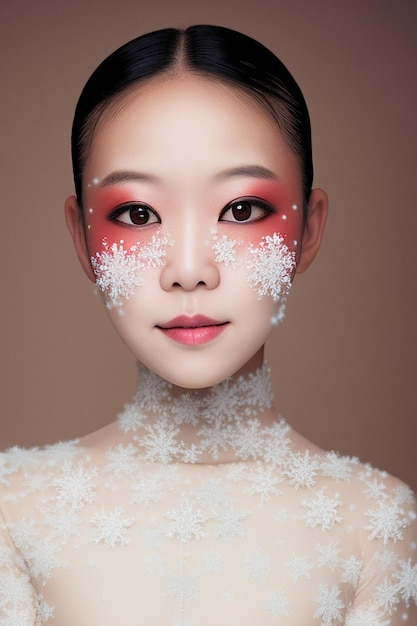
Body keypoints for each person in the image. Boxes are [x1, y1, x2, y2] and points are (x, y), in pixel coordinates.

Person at [0, 25, 415, 625]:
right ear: (83, 238)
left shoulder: (375, 522)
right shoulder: (12, 508)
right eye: (137, 214)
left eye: (241, 210)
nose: (189, 270)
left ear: (309, 229)